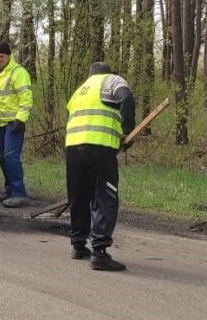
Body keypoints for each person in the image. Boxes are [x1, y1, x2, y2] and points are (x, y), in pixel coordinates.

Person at [65, 62, 135, 271]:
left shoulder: (80, 90)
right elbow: (126, 98)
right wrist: (127, 130)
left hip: (73, 147)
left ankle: (78, 245)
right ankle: (100, 252)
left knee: (79, 195)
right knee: (104, 195)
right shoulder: (112, 80)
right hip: (100, 147)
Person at [0, 41, 33, 208]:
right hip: (0, 122)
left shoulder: (18, 72)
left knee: (10, 156)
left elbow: (26, 98)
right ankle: (9, 189)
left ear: (8, 55)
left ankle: (19, 193)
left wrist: (21, 118)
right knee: (1, 157)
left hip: (14, 122)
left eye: (1, 56)